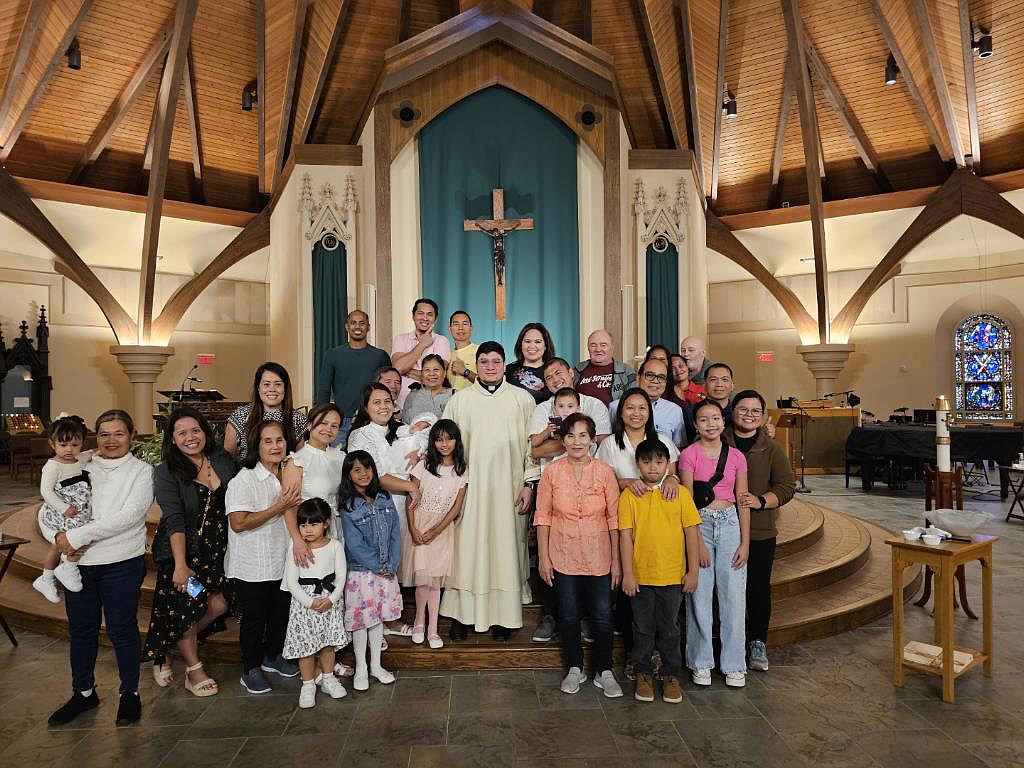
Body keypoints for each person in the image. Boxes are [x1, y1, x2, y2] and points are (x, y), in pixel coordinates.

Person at [48, 410, 153, 727]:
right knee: (81, 630)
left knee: (121, 629)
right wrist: (58, 536)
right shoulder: (80, 465)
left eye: (119, 433)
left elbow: (129, 517)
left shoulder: (142, 472)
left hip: (121, 562)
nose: (111, 440)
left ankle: (129, 693)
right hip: (78, 565)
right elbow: (52, 504)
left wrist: (76, 536)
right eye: (104, 433)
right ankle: (83, 692)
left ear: (132, 436)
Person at [441, 341, 538, 641]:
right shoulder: (461, 400)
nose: (490, 367)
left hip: (509, 490)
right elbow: (445, 442)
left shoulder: (522, 399)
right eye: (484, 361)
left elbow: (532, 448)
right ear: (477, 364)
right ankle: (462, 615)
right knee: (466, 550)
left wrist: (528, 484)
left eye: (496, 361)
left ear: (505, 364)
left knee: (504, 549)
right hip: (469, 490)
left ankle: (502, 617)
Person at [145, 407, 236, 697]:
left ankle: (169, 648)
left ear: (205, 431)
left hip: (216, 551)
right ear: (172, 439)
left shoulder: (221, 459)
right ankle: (194, 669)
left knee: (219, 605)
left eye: (195, 430)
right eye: (182, 433)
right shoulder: (167, 471)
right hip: (184, 554)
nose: (190, 437)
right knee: (188, 606)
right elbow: (174, 520)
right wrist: (181, 566)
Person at [535, 413, 622, 698]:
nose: (576, 441)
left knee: (602, 616)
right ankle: (575, 667)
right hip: (562, 553)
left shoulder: (605, 472)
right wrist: (544, 559)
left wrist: (618, 562)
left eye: (583, 435)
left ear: (592, 439)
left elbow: (614, 519)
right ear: (562, 439)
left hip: (600, 554)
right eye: (570, 435)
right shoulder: (552, 472)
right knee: (569, 615)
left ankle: (604, 670)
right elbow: (543, 516)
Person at [595, 388, 681, 677]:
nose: (636, 413)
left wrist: (673, 478)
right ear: (621, 412)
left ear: (650, 411)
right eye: (629, 407)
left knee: (659, 600)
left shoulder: (663, 441)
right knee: (627, 589)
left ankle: (659, 656)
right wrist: (626, 482)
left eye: (642, 407)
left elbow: (674, 474)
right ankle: (636, 654)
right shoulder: (609, 444)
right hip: (621, 522)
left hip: (658, 527)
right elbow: (603, 479)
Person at [619, 439, 702, 703]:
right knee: (642, 628)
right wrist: (628, 574)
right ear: (637, 464)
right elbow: (624, 537)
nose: (653, 468)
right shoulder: (629, 496)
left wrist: (693, 572)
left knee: (669, 629)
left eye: (659, 462)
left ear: (668, 464)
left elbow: (691, 533)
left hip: (672, 575)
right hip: (641, 576)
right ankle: (643, 673)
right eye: (646, 462)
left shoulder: (681, 494)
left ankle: (670, 675)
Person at [225, 420, 302, 694]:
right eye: (268, 441)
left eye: (279, 440)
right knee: (255, 619)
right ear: (256, 446)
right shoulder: (244, 480)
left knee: (280, 613)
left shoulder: (287, 474)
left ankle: (274, 656)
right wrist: (278, 507)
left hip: (281, 559)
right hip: (253, 564)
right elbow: (239, 523)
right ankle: (251, 668)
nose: (275, 446)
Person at [680, 400, 750, 688]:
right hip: (701, 523)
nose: (710, 424)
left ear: (724, 422)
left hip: (730, 521)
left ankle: (734, 663)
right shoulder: (688, 455)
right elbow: (686, 502)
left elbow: (743, 500)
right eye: (703, 419)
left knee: (734, 596)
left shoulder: (736, 457)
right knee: (699, 595)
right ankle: (701, 661)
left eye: (715, 418)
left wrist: (745, 542)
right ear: (695, 425)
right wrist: (697, 542)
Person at [346, 382, 425, 636]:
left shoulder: (401, 430)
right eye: (376, 402)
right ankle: (379, 621)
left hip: (403, 504)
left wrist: (418, 463)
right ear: (366, 407)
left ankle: (389, 616)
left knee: (394, 557)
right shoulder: (361, 435)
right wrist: (411, 487)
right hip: (375, 505)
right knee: (377, 559)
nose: (383, 406)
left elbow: (419, 451)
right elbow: (372, 475)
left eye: (387, 401)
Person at [726, 389, 796, 673]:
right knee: (726, 590)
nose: (749, 415)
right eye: (743, 409)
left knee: (757, 589)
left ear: (764, 416)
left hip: (759, 529)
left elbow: (787, 486)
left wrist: (762, 500)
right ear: (733, 412)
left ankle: (757, 641)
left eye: (755, 411)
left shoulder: (771, 448)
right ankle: (727, 642)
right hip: (722, 526)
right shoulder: (718, 440)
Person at [339, 451, 402, 690]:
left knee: (377, 621)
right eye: (356, 470)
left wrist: (392, 563)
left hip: (386, 570)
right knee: (361, 622)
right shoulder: (348, 505)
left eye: (367, 468)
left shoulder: (384, 497)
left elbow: (395, 532)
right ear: (349, 475)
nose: (363, 473)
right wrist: (378, 565)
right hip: (362, 572)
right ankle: (361, 669)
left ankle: (376, 665)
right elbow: (354, 544)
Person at [281, 498, 349, 708]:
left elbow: (341, 575)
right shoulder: (296, 546)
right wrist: (310, 602)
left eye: (313, 524)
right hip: (304, 604)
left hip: (329, 600)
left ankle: (328, 678)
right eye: (303, 525)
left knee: (327, 643)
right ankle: (308, 684)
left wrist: (331, 599)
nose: (308, 530)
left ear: (326, 523)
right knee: (306, 647)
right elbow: (292, 581)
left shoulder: (335, 546)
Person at [408, 419, 469, 649]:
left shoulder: (462, 470)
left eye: (449, 438)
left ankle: (433, 628)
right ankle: (418, 622)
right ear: (433, 441)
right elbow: (411, 497)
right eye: (439, 439)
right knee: (423, 579)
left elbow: (456, 507)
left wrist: (437, 529)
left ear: (456, 441)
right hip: (420, 524)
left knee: (435, 582)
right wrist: (414, 528)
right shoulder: (423, 466)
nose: (444, 444)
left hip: (442, 530)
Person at [33, 415, 92, 603]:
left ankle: (48, 577)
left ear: (81, 443)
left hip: (76, 512)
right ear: (52, 444)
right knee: (75, 538)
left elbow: (92, 453)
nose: (69, 450)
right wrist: (64, 508)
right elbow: (46, 491)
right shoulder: (52, 466)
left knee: (62, 544)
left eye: (75, 445)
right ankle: (66, 568)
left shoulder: (79, 459)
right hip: (61, 512)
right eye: (63, 445)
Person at [315, 310, 392, 446]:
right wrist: (322, 419)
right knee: (339, 464)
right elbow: (324, 389)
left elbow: (388, 388)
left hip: (372, 421)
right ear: (346, 326)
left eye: (362, 323)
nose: (357, 327)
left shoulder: (380, 355)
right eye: (353, 323)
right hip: (342, 422)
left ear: (368, 327)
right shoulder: (332, 355)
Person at [225, 362, 307, 463]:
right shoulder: (241, 415)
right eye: (266, 384)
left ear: (285, 388)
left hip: (285, 476)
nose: (272, 389)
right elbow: (227, 459)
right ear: (258, 388)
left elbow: (301, 460)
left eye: (278, 384)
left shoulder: (297, 418)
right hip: (247, 475)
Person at [610, 358, 686, 449]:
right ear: (638, 378)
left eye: (661, 377)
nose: (655, 381)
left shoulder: (674, 410)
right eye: (650, 375)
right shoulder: (615, 406)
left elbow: (679, 448)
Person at [391, 298, 452, 408]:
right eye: (420, 313)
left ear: (435, 319)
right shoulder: (400, 339)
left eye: (429, 314)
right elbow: (398, 368)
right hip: (402, 404)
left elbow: (436, 378)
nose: (425, 318)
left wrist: (406, 370)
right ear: (413, 316)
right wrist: (422, 344)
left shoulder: (442, 341)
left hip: (432, 405)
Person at [574, 329, 636, 406]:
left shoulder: (626, 370)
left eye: (603, 345)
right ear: (588, 348)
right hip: (582, 416)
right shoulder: (578, 370)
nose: (598, 349)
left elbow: (634, 399)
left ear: (612, 347)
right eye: (593, 345)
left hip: (613, 416)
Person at [505, 322, 555, 404]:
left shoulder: (554, 371)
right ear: (520, 345)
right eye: (527, 341)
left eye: (538, 342)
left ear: (545, 346)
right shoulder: (508, 370)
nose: (532, 346)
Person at [403, 354, 453, 423]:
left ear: (444, 373)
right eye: (427, 370)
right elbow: (405, 426)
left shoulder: (455, 396)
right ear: (422, 374)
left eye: (436, 369)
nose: (431, 374)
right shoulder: (412, 396)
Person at [447, 310, 478, 390]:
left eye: (465, 324)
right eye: (456, 324)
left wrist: (465, 371)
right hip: (451, 401)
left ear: (471, 328)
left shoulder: (480, 351)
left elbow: (489, 383)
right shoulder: (446, 354)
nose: (460, 328)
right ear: (449, 329)